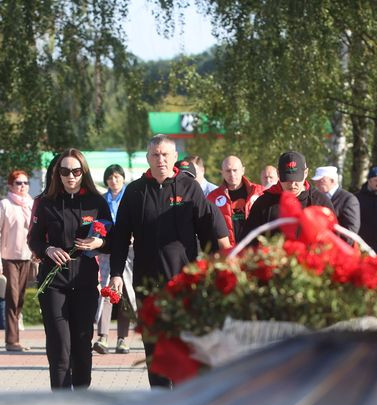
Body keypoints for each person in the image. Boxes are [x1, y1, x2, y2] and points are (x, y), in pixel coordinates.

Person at [108, 134, 231, 388]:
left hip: (184, 283)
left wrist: (215, 268)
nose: (160, 159)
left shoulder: (189, 187)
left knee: (183, 346)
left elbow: (208, 231)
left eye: (165, 154)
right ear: (147, 158)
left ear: (174, 157)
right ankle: (160, 400)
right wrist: (116, 273)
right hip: (147, 283)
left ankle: (185, 400)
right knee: (154, 349)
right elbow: (120, 236)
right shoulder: (135, 191)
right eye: (155, 155)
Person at [27, 149, 112, 390]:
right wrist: (48, 249)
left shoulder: (97, 202)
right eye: (65, 171)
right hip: (54, 285)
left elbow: (112, 240)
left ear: (83, 172)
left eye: (76, 171)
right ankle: (62, 402)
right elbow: (33, 240)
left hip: (85, 284)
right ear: (58, 174)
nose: (70, 176)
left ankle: (82, 400)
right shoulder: (46, 202)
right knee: (59, 348)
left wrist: (99, 243)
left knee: (82, 346)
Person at [93, 164, 136, 355]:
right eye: (110, 177)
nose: (114, 180)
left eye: (117, 177)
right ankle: (102, 336)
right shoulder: (102, 200)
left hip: (129, 249)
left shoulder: (131, 197)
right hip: (108, 250)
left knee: (125, 292)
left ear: (123, 178)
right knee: (107, 290)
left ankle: (122, 338)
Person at [0, 169, 34, 351]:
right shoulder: (3, 205)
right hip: (8, 258)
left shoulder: (32, 204)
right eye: (18, 183)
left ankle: (15, 337)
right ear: (10, 185)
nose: (22, 186)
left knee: (20, 297)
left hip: (27, 256)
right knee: (12, 297)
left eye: (25, 183)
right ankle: (12, 340)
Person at [244, 151, 336, 234]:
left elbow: (333, 238)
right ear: (278, 174)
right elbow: (248, 240)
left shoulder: (321, 202)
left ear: (306, 173)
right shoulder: (264, 203)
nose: (292, 184)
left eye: (296, 179)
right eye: (287, 179)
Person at [208, 155, 264, 245]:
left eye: (235, 170)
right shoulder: (213, 197)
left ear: (242, 170)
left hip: (255, 247)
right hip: (228, 249)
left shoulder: (259, 192)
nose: (232, 174)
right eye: (228, 171)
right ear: (222, 173)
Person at [311, 166, 360, 237]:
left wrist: (333, 243)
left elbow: (351, 230)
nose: (317, 184)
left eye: (321, 181)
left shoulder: (348, 199)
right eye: (316, 181)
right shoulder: (316, 197)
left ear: (332, 181)